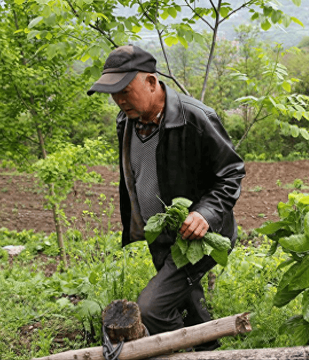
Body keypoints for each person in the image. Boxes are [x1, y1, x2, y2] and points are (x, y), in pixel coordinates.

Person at [86, 45, 245, 350]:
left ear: (151, 81)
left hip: (198, 239)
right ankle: (208, 351)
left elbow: (232, 171)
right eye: (112, 92)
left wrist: (205, 214)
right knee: (188, 301)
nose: (118, 99)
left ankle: (180, 352)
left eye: (124, 89)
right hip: (161, 236)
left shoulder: (195, 118)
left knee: (152, 307)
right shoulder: (127, 120)